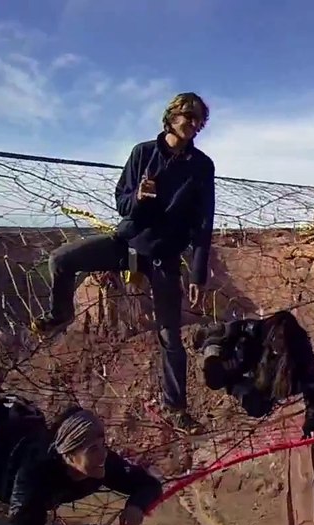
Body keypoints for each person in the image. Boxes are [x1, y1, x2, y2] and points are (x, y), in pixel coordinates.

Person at [30, 92, 216, 435]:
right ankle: (61, 314)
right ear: (171, 116)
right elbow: (122, 202)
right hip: (128, 244)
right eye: (189, 117)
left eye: (200, 120)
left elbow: (204, 224)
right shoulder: (142, 153)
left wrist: (198, 273)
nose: (194, 125)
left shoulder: (202, 166)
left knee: (170, 337)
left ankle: (175, 408)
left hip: (163, 256)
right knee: (61, 259)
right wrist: (139, 198)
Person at [0, 400, 162, 525]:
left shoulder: (102, 462)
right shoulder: (35, 477)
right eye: (93, 449)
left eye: (103, 444)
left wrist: (136, 505)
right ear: (69, 457)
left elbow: (149, 484)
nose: (103, 455)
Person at [192, 310, 314, 439]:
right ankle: (231, 382)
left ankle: (247, 390)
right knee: (218, 372)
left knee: (257, 406)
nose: (277, 344)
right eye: (276, 338)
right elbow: (217, 332)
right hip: (237, 367)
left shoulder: (301, 350)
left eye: (281, 341)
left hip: (263, 381)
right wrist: (212, 358)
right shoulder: (255, 329)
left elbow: (311, 385)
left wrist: (312, 416)